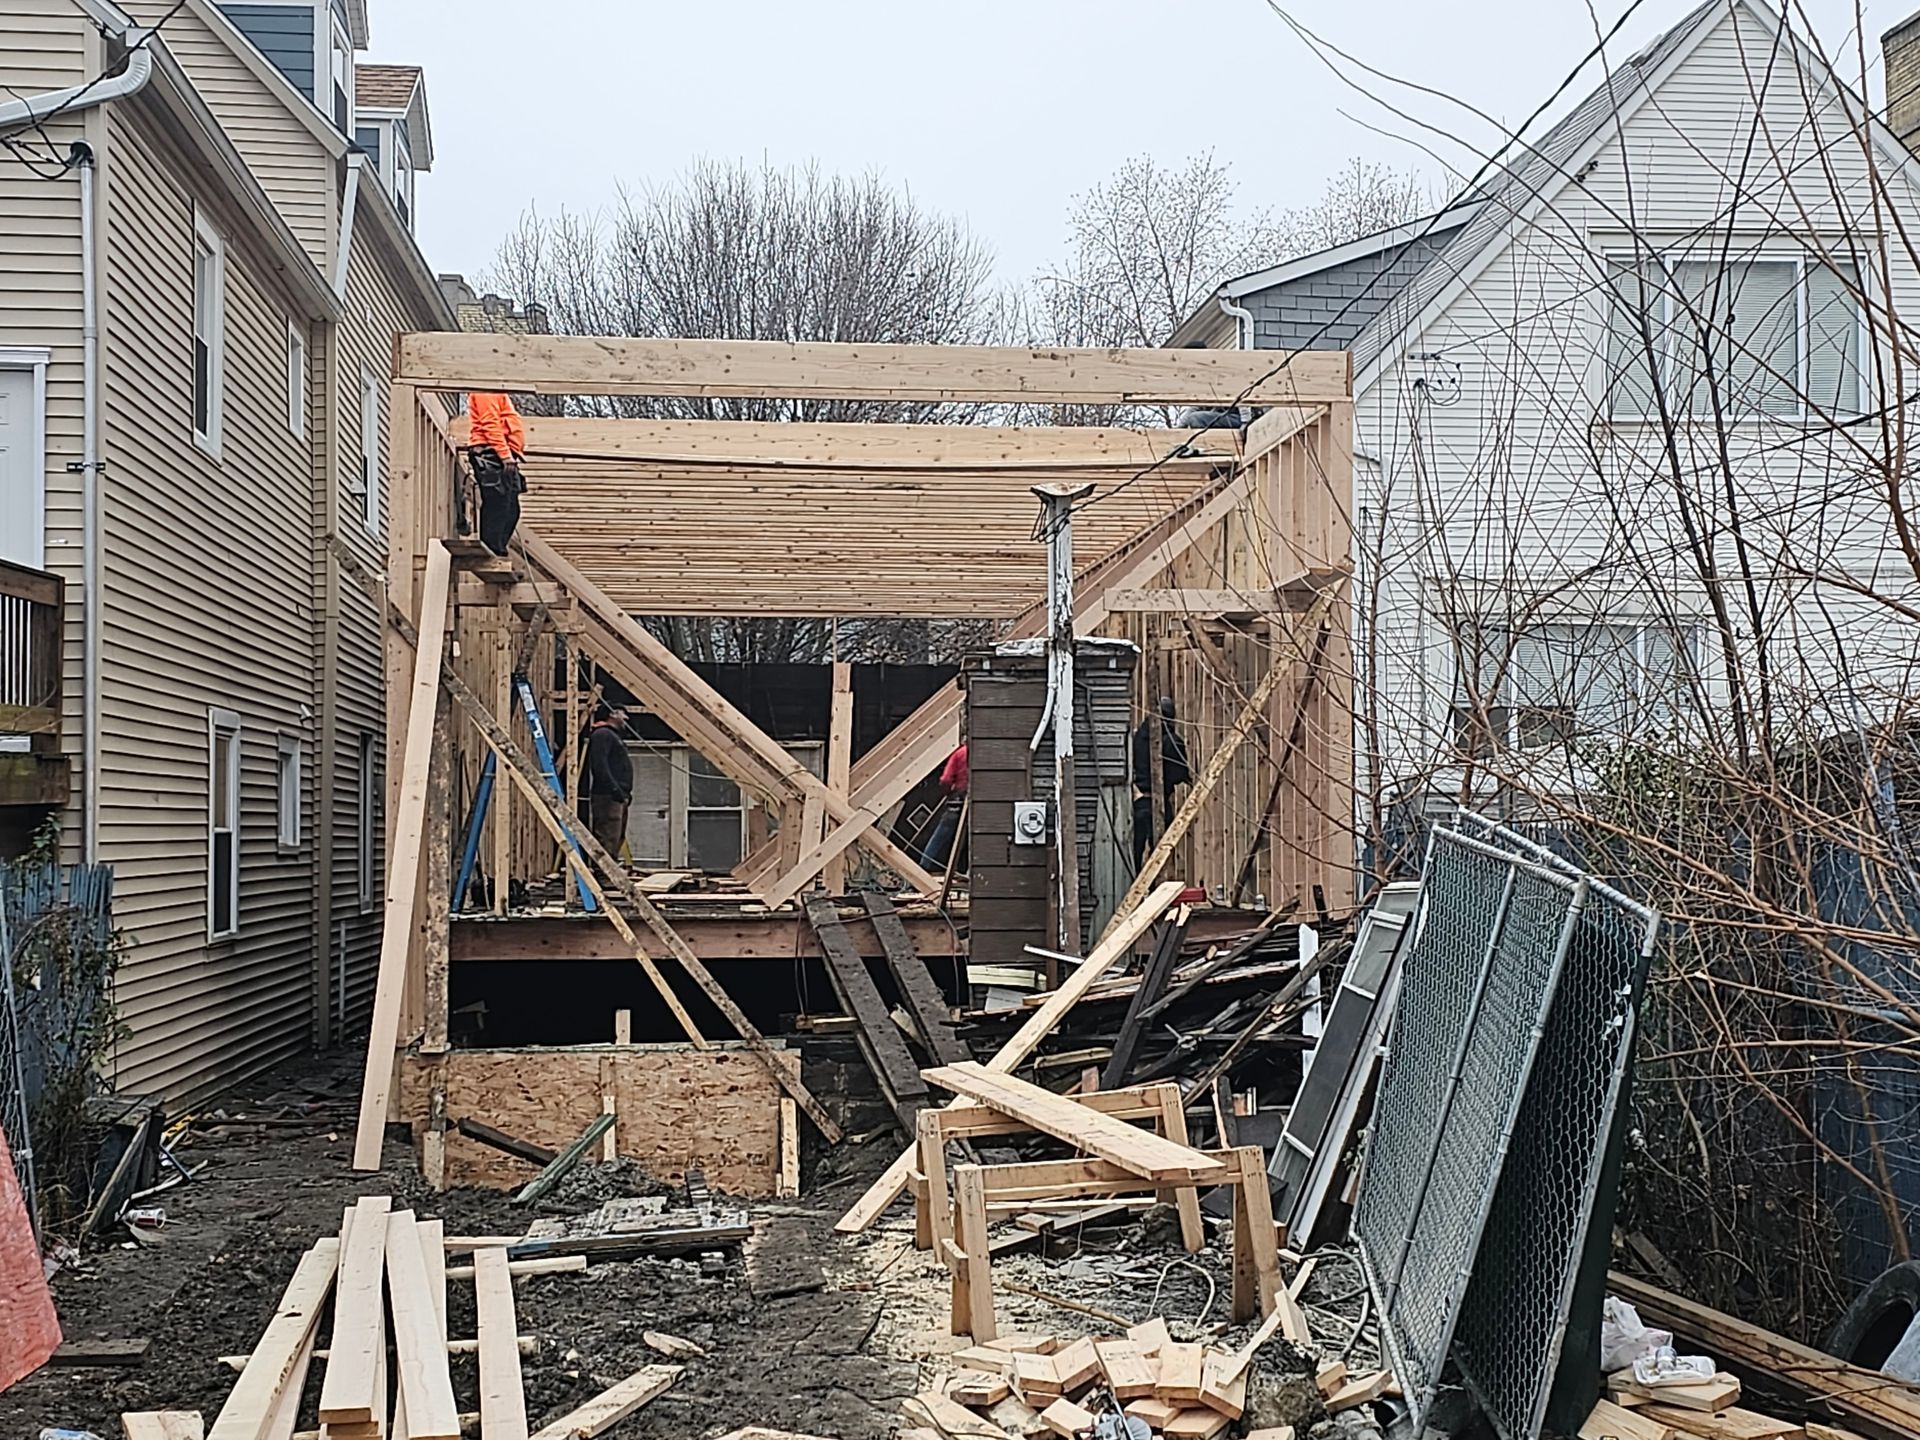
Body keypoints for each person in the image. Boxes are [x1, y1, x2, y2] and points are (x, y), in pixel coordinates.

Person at [1131, 696, 1191, 870]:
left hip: (1139, 804)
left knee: (1136, 857)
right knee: (1161, 858)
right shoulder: (1171, 740)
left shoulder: (1139, 737)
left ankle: (1138, 893)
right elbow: (1179, 773)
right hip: (1158, 805)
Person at [467, 391, 528, 555]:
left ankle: (497, 548)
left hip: (501, 455)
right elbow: (490, 424)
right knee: (498, 503)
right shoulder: (485, 390)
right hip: (491, 454)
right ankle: (491, 548)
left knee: (511, 509)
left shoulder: (497, 391)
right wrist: (505, 455)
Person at [583, 704, 633, 857]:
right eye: (624, 714)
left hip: (617, 795)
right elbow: (600, 766)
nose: (627, 719)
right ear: (613, 714)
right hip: (607, 796)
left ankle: (610, 871)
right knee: (608, 834)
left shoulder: (612, 736)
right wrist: (614, 789)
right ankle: (603, 874)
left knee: (616, 835)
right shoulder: (602, 734)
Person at [918, 741, 968, 870]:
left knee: (941, 834)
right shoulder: (982, 753)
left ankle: (924, 865)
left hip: (957, 799)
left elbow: (946, 779)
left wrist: (948, 792)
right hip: (976, 800)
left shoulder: (959, 753)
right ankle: (966, 870)